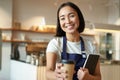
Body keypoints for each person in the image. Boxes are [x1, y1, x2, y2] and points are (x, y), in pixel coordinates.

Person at [46, 1, 101, 80]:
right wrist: (57, 75)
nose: (68, 21)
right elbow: (48, 72)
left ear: (79, 17)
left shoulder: (91, 46)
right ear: (59, 22)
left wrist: (88, 77)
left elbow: (98, 77)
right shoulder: (55, 43)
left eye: (71, 16)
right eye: (62, 18)